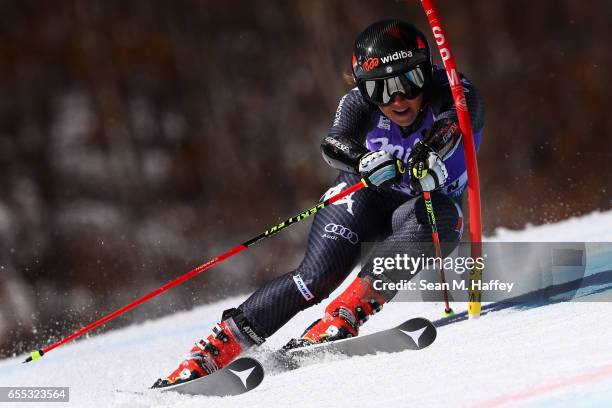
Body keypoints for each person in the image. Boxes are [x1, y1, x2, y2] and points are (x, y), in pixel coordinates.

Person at [153, 18, 484, 387]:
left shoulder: (454, 91)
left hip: (417, 211)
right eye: (380, 89)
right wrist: (362, 160)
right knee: (313, 279)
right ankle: (212, 352)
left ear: (426, 72)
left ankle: (343, 316)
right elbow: (334, 143)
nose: (396, 99)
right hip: (362, 199)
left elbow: (453, 125)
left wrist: (430, 153)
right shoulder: (358, 103)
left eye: (407, 81)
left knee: (442, 217)